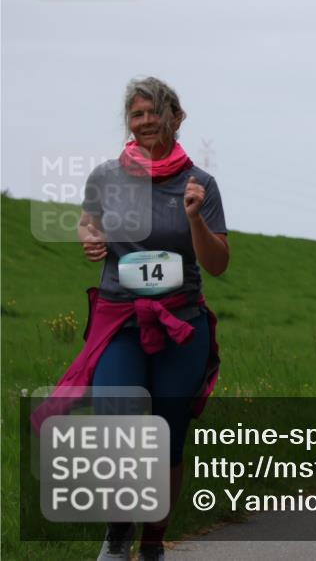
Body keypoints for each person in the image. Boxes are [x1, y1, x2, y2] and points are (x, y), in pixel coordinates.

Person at [35, 78, 229, 561]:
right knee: (115, 423)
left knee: (169, 436)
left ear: (176, 118)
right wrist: (88, 236)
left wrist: (195, 219)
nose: (144, 122)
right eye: (136, 114)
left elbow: (218, 263)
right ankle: (118, 531)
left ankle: (153, 541)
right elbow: (88, 221)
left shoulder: (201, 184)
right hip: (120, 318)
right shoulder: (106, 176)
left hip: (180, 322)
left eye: (153, 112)